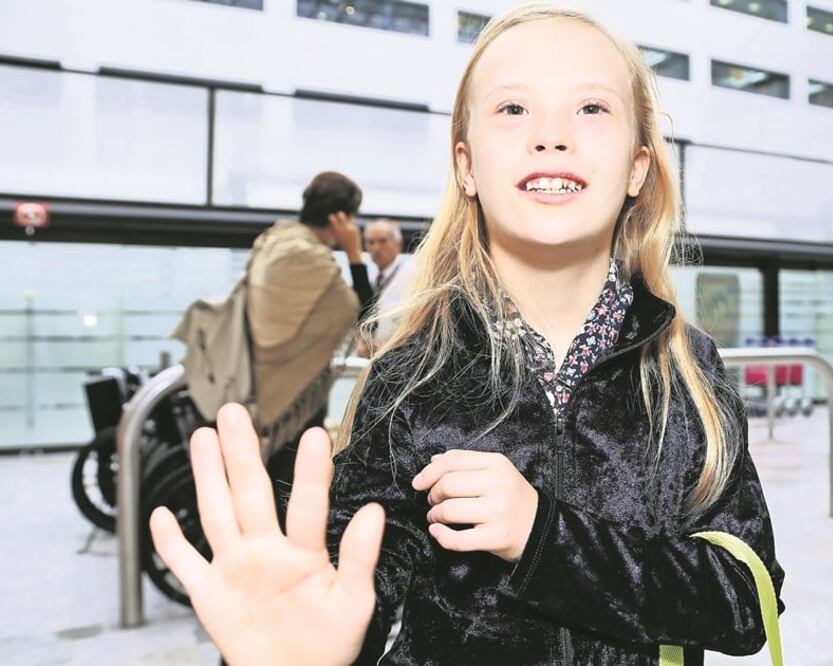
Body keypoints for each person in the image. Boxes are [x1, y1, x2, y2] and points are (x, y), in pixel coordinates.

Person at [149, 5, 785, 666]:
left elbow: (745, 602)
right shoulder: (409, 378)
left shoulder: (687, 368)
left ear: (637, 168)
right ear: (466, 165)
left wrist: (544, 537)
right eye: (513, 108)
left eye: (591, 108)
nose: (550, 136)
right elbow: (351, 591)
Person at [246, 171, 373, 516]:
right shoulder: (309, 260)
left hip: (269, 388)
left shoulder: (275, 241)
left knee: (272, 484)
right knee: (289, 489)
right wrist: (354, 253)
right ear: (340, 218)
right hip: (293, 396)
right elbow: (366, 316)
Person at [356, 219, 416, 356]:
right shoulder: (371, 278)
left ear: (398, 244)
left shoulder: (413, 276)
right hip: (371, 354)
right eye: (370, 242)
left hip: (399, 355)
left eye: (382, 241)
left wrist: (388, 346)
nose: (376, 248)